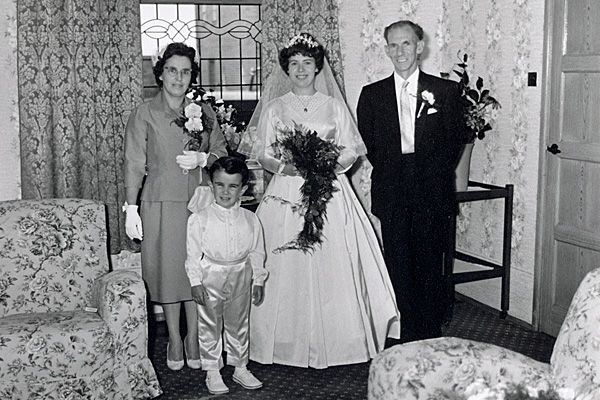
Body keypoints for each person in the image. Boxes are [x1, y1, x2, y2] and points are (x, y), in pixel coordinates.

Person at [248, 33, 400, 369]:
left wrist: (325, 164)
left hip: (329, 192)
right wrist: (288, 166)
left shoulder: (333, 106)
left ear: (318, 67)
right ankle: (284, 340)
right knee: (284, 261)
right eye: (294, 63)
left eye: (307, 63)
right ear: (286, 69)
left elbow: (350, 150)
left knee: (333, 262)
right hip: (287, 192)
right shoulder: (275, 108)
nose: (301, 69)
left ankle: (341, 340)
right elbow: (263, 153)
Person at [357, 20, 465, 343]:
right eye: (393, 45)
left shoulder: (445, 91)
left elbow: (454, 140)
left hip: (432, 190)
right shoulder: (372, 95)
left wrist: (429, 173)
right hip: (392, 190)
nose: (400, 51)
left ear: (420, 47)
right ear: (386, 49)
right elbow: (370, 143)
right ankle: (403, 334)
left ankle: (429, 334)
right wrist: (398, 172)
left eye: (407, 44)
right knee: (399, 262)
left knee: (431, 264)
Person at [123, 42, 228, 371]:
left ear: (191, 76)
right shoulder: (145, 113)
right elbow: (133, 162)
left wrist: (204, 158)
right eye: (172, 70)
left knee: (196, 272)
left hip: (198, 202)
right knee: (170, 274)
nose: (178, 78)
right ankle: (173, 336)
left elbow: (223, 155)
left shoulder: (204, 113)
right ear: (161, 73)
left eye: (185, 72)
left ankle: (194, 337)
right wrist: (130, 207)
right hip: (160, 202)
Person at [185, 156, 268, 394]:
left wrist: (258, 280)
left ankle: (240, 366)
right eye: (220, 184)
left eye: (233, 186)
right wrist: (195, 282)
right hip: (211, 273)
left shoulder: (251, 219)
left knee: (239, 322)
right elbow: (192, 255)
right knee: (210, 323)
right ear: (211, 185)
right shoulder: (199, 219)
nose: (225, 191)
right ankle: (212, 370)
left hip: (241, 273)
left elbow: (257, 251)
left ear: (243, 188)